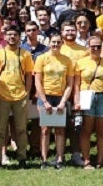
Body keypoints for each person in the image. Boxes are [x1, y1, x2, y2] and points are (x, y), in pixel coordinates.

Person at [0, 25, 33, 167]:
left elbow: (28, 75)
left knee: (21, 129)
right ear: (5, 36)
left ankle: (22, 157)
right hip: (2, 96)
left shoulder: (25, 54)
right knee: (0, 130)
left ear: (19, 37)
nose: (12, 37)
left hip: (20, 96)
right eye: (9, 34)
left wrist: (26, 93)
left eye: (14, 34)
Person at [74, 36, 103, 170]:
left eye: (98, 46)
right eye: (93, 46)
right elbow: (76, 84)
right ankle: (86, 160)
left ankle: (100, 160)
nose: (96, 49)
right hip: (87, 96)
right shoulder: (81, 63)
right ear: (88, 47)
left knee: (101, 131)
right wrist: (77, 101)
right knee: (86, 131)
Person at [33, 31, 73, 169]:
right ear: (49, 43)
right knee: (45, 130)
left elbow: (69, 84)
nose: (55, 44)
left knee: (60, 130)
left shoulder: (67, 60)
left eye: (58, 42)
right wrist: (44, 101)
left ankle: (59, 159)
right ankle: (44, 159)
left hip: (60, 97)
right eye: (53, 42)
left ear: (62, 43)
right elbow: (37, 81)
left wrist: (63, 101)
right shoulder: (41, 58)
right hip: (45, 96)